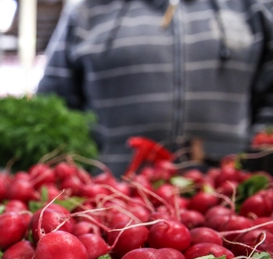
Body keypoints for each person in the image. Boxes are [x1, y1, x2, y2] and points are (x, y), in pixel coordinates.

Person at [36, 0, 273, 177]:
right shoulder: (87, 10)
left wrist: (254, 159)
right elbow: (53, 106)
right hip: (111, 204)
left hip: (231, 200)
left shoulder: (252, 7)